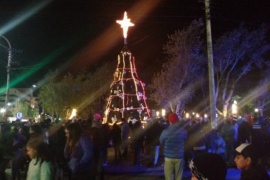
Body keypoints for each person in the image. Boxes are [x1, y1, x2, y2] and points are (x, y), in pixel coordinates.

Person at [159, 113, 187, 180]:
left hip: (168, 157)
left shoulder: (165, 132)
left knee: (169, 177)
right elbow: (185, 139)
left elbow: (161, 141)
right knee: (178, 177)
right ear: (177, 121)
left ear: (169, 121)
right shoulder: (183, 131)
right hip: (179, 156)